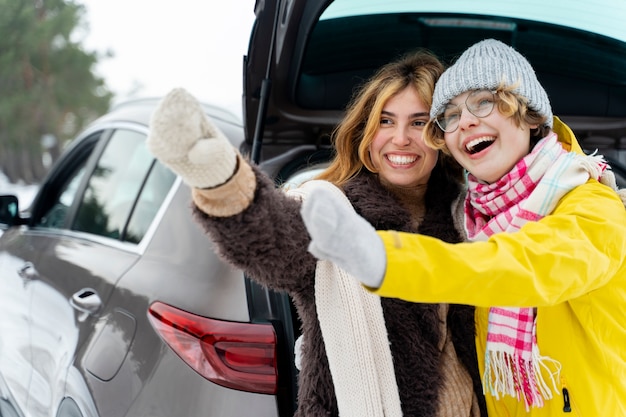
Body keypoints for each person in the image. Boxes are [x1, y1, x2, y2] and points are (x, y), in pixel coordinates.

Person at [147, 50, 487, 417]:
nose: (401, 138)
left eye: (419, 123)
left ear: (441, 135)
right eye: (386, 121)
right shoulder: (332, 210)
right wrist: (223, 180)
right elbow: (277, 238)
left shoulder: (470, 218)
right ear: (367, 135)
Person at [300, 39, 626, 416]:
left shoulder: (592, 208)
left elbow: (524, 265)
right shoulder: (472, 218)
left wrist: (383, 259)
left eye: (484, 102)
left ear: (533, 116)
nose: (466, 120)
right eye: (450, 115)